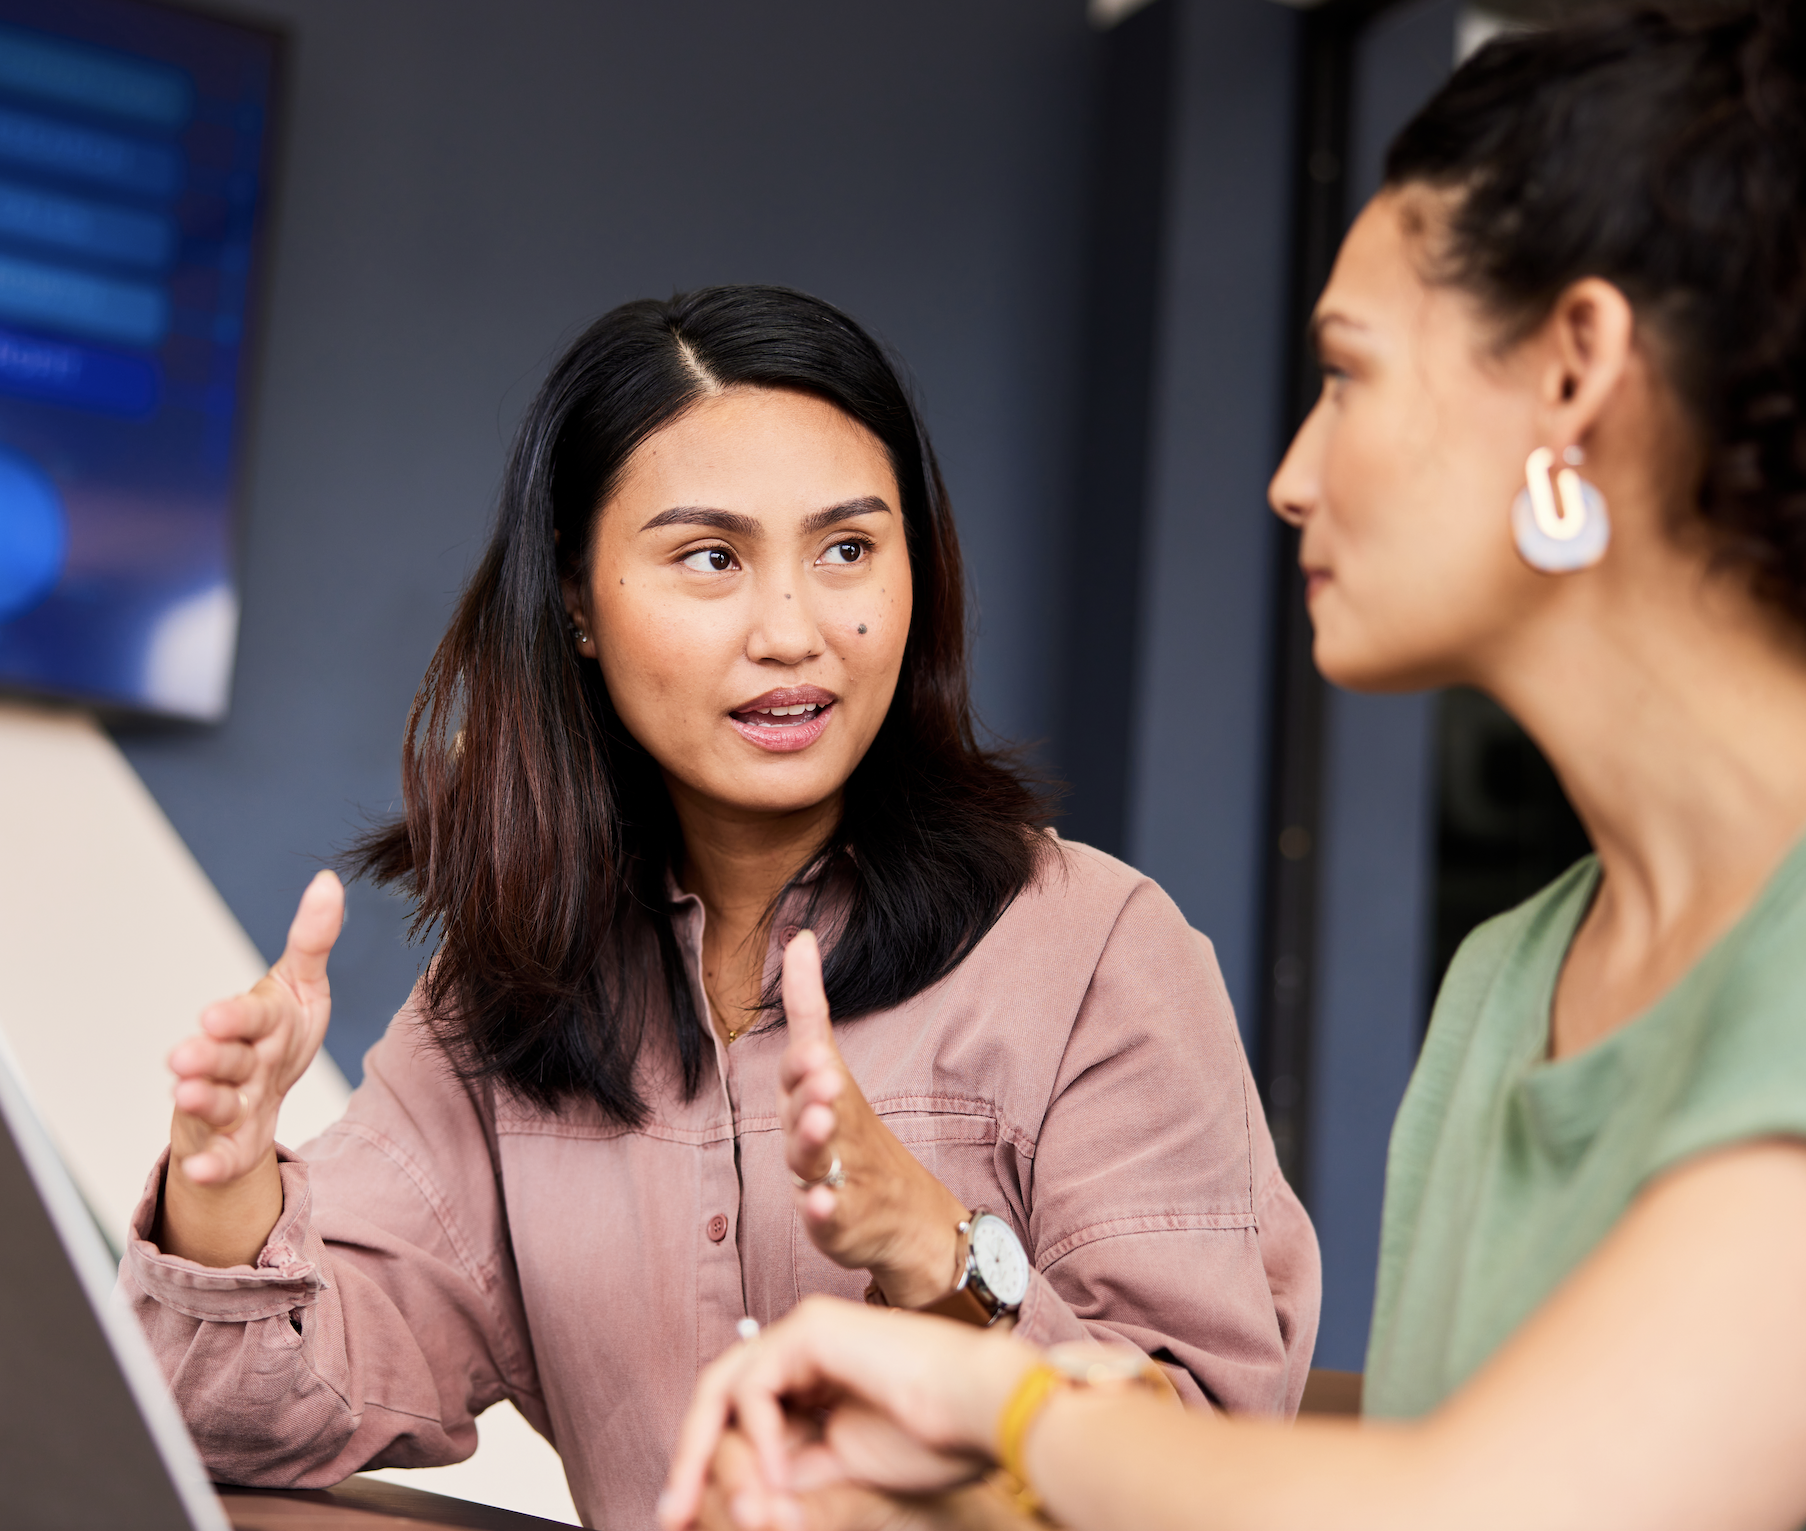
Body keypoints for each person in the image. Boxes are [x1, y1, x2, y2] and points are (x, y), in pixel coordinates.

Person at [661, 7, 1806, 1531]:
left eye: (1347, 374)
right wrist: (939, 1489)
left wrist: (1007, 1402)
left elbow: (1492, 1502)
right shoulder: (1505, 986)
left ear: (1575, 370)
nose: (1292, 475)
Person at [121, 286, 1320, 1527]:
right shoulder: (510, 992)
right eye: (710, 558)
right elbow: (236, 1423)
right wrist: (224, 1187)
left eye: (847, 549)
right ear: (576, 603)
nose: (793, 630)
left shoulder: (1094, 951)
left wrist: (936, 1248)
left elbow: (1207, 1477)